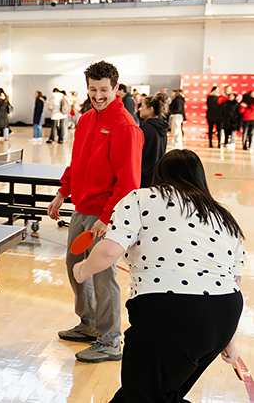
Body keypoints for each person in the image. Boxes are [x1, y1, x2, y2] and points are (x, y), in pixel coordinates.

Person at [72, 149, 245, 402]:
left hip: (170, 311)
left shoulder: (141, 199)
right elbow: (234, 281)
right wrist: (229, 340)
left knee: (142, 395)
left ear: (160, 174)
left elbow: (110, 250)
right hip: (224, 317)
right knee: (150, 393)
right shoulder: (221, 214)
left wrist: (83, 269)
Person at [47, 60, 144, 364]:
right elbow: (77, 162)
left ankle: (110, 339)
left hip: (107, 214)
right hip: (81, 207)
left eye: (104, 90)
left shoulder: (125, 126)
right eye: (92, 89)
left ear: (116, 88)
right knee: (75, 267)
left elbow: (129, 182)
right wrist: (63, 191)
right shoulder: (87, 119)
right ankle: (88, 324)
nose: (98, 95)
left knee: (103, 276)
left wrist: (107, 216)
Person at [138, 92, 170, 188]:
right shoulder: (161, 128)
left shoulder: (146, 129)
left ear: (150, 109)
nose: (139, 109)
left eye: (142, 106)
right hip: (156, 177)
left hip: (144, 178)